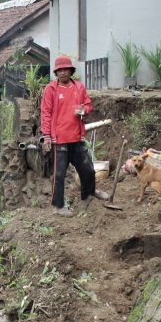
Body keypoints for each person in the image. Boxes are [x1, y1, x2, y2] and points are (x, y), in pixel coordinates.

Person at [41, 55, 108, 216]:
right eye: (60, 70)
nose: (63, 72)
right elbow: (46, 113)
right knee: (59, 174)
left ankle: (89, 193)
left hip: (77, 137)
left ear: (71, 71)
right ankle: (58, 206)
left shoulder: (79, 87)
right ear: (56, 72)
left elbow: (87, 104)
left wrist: (85, 110)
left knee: (88, 169)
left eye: (66, 69)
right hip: (59, 139)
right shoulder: (51, 89)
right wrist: (47, 136)